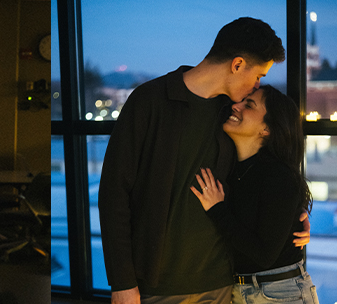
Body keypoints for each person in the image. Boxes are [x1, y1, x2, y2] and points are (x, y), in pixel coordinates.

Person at [97, 17, 310, 303]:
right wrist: (121, 282)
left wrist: (293, 216)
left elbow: (262, 175)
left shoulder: (231, 117)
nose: (256, 85)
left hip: (222, 284)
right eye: (258, 76)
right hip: (156, 286)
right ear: (237, 65)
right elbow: (113, 194)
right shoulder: (149, 101)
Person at [192, 86, 318, 304]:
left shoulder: (279, 176)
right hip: (243, 291)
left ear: (266, 129)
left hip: (281, 293)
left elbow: (264, 254)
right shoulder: (233, 169)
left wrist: (217, 209)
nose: (236, 106)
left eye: (248, 105)